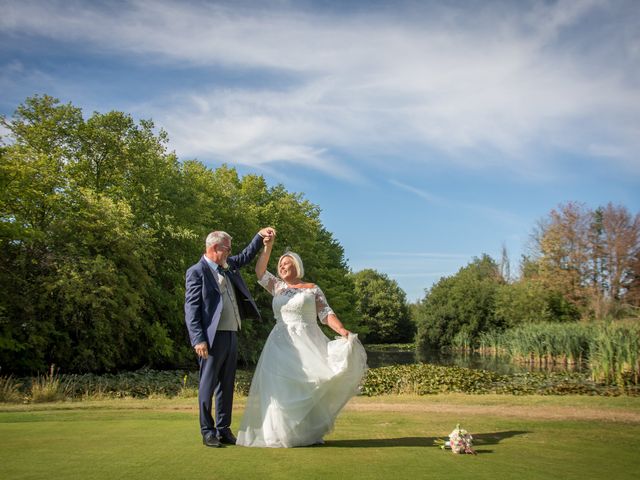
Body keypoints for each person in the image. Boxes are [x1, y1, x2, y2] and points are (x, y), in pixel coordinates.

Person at [236, 234, 367, 448]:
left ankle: (307, 434)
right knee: (281, 388)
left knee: (311, 383)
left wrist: (342, 329)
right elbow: (260, 272)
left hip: (309, 341)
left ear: (297, 266)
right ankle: (280, 434)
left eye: (287, 263)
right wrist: (267, 247)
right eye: (280, 264)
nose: (283, 267)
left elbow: (325, 313)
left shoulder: (312, 288)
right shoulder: (277, 287)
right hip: (280, 342)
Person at [184, 227, 276, 448]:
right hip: (211, 338)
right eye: (227, 248)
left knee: (226, 385)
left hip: (232, 334)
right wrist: (198, 339)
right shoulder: (196, 271)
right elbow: (191, 308)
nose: (230, 252)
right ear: (215, 248)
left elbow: (245, 256)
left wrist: (259, 236)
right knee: (207, 386)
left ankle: (223, 429)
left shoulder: (228, 266)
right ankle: (208, 432)